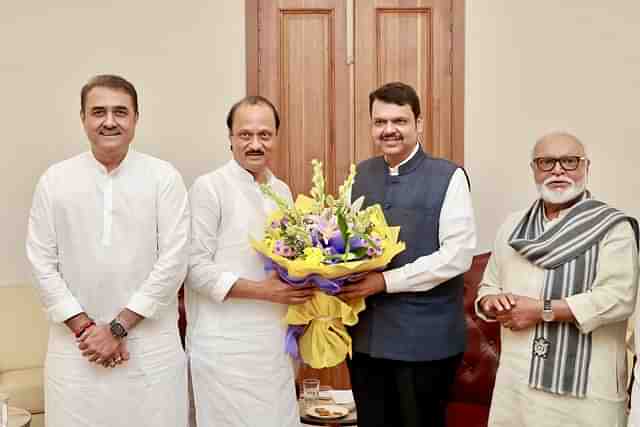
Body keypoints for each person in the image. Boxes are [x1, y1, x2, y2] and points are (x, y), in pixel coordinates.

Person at [26, 75, 190, 426]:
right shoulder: (55, 180)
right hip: (75, 350)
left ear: (135, 119)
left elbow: (174, 261)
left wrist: (117, 329)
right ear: (83, 118)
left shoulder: (163, 177)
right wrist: (87, 330)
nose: (109, 121)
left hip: (150, 349)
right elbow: (41, 262)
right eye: (98, 111)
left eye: (120, 111)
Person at [476, 131, 639, 427]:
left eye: (569, 161)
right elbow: (489, 286)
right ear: (534, 170)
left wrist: (540, 310)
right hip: (517, 382)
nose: (558, 170)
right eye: (547, 162)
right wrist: (490, 302)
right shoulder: (512, 227)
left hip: (586, 391)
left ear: (586, 167)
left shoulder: (613, 228)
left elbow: (618, 298)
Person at [340, 82, 477, 427]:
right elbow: (340, 243)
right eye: (380, 122)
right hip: (365, 339)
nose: (389, 130)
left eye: (399, 121)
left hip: (425, 342)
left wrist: (384, 281)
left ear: (418, 123)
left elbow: (456, 255)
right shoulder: (359, 175)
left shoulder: (449, 176)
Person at [186, 95, 314, 427]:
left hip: (273, 344)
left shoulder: (283, 191)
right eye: (245, 135)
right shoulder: (209, 188)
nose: (255, 144)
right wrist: (265, 291)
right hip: (223, 346)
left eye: (264, 135)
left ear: (276, 138)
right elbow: (194, 267)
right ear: (230, 138)